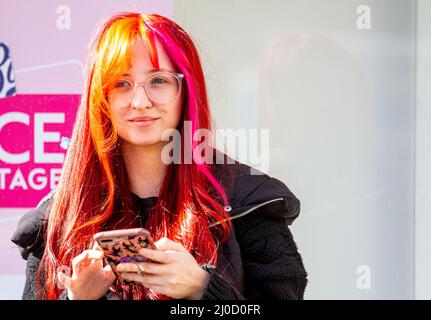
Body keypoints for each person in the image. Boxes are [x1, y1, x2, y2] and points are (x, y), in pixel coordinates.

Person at [11, 12, 308, 300]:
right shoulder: (59, 216)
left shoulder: (247, 201)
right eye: (121, 84)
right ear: (101, 98)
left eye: (159, 81)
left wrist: (202, 288)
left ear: (187, 90)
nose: (140, 102)